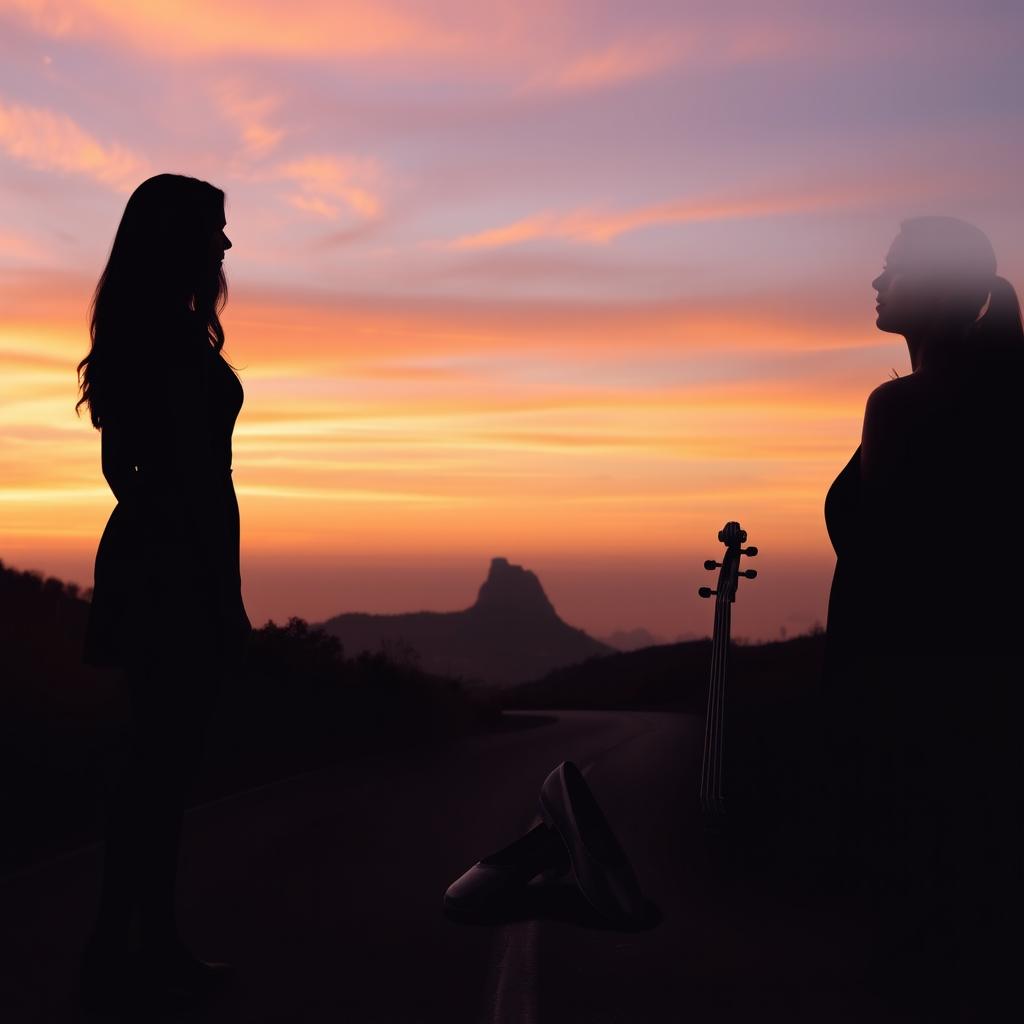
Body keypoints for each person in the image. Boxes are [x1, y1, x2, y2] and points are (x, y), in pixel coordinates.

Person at [820, 216, 1024, 1008]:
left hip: (913, 716)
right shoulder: (998, 398)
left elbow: (884, 580)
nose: (876, 281)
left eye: (894, 268)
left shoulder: (902, 406)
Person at [74, 173, 252, 1010]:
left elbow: (123, 472)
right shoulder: (174, 343)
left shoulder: (143, 333)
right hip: (179, 571)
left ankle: (127, 945)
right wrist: (224, 593)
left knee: (154, 767)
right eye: (214, 230)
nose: (224, 246)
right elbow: (203, 486)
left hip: (147, 558)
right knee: (161, 768)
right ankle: (136, 948)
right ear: (178, 237)